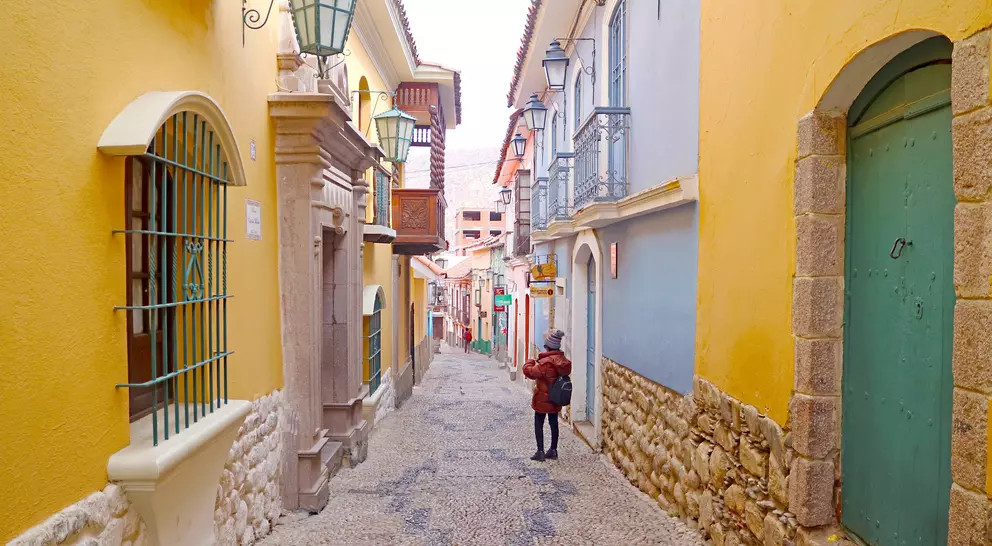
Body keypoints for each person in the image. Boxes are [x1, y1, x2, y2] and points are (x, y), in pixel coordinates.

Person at [522, 329, 571, 461]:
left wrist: (529, 362)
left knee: (539, 423)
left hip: (543, 398)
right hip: (556, 398)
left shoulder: (546, 363)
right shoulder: (562, 361)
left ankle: (540, 451)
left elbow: (531, 372)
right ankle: (553, 450)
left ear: (548, 347)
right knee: (553, 422)